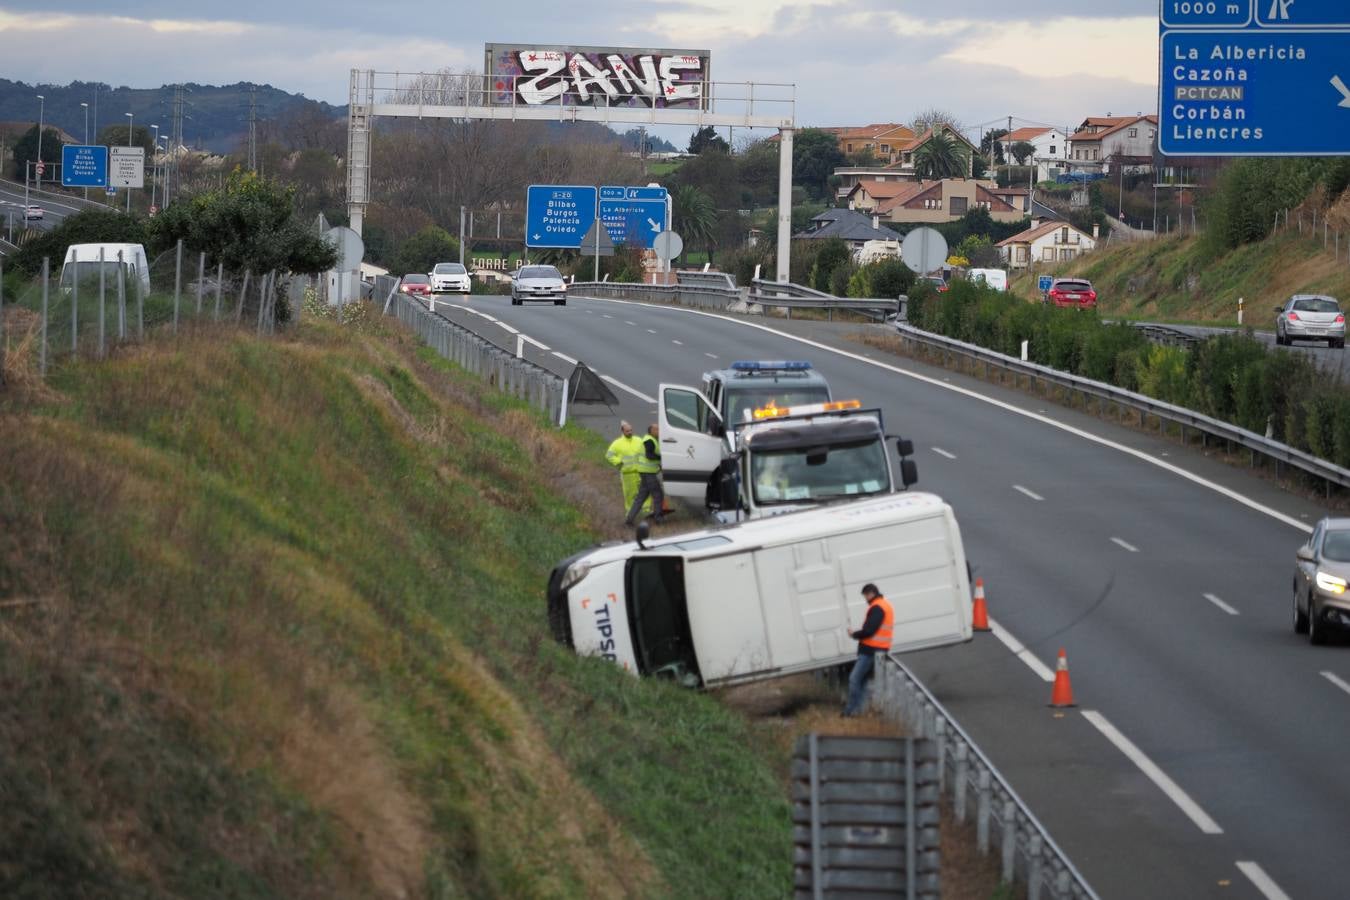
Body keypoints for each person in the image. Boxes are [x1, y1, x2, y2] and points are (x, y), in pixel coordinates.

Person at [843, 583, 893, 717]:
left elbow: (869, 631)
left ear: (870, 593)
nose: (865, 599)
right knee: (862, 682)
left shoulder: (877, 607)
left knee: (854, 679)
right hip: (877, 650)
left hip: (870, 651)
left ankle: (851, 711)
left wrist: (854, 634)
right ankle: (861, 711)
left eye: (865, 596)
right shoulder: (883, 605)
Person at [605, 421, 649, 519]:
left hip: (640, 472)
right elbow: (609, 455)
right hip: (627, 474)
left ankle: (646, 510)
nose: (630, 432)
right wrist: (618, 462)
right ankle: (630, 513)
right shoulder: (617, 443)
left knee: (645, 491)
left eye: (631, 430)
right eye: (627, 431)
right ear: (622, 431)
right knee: (629, 494)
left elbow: (646, 451)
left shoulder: (638, 440)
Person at [626, 423, 665, 526]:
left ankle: (629, 520)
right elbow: (649, 455)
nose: (659, 431)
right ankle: (658, 519)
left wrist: (659, 464)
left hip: (645, 472)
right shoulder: (649, 440)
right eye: (657, 429)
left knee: (641, 497)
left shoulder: (651, 440)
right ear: (651, 431)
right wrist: (661, 458)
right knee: (658, 495)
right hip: (648, 473)